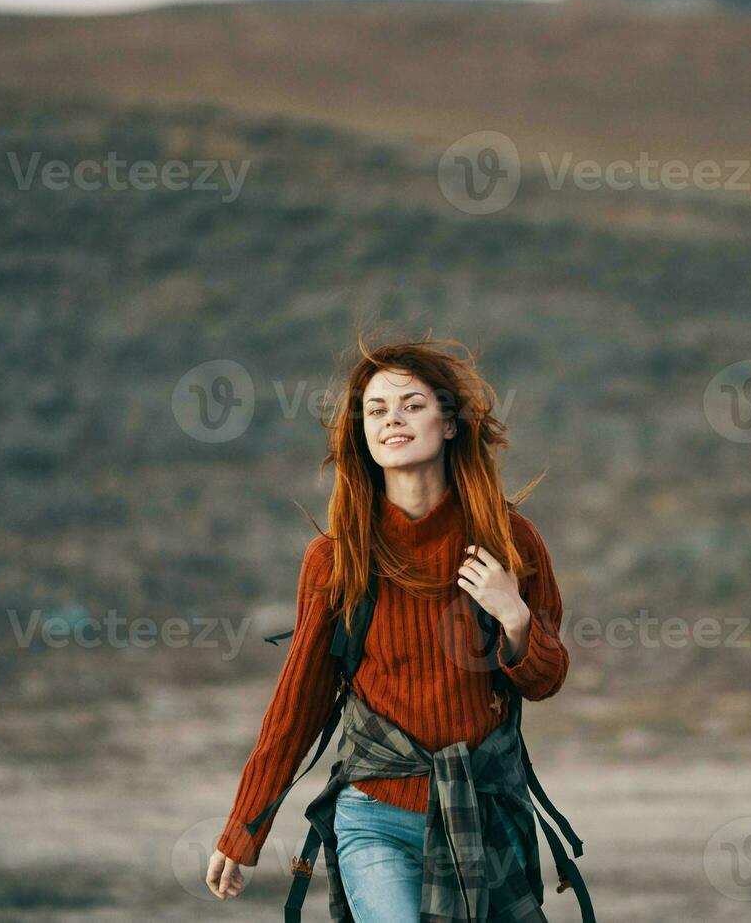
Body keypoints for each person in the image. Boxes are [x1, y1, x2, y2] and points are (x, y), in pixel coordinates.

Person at [204, 333, 572, 921]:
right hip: (375, 814)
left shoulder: (510, 542)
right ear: (362, 433)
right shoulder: (336, 560)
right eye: (375, 410)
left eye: (411, 405)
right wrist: (244, 826)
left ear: (449, 424)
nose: (390, 420)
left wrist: (516, 618)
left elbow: (546, 679)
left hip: (484, 814)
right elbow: (298, 703)